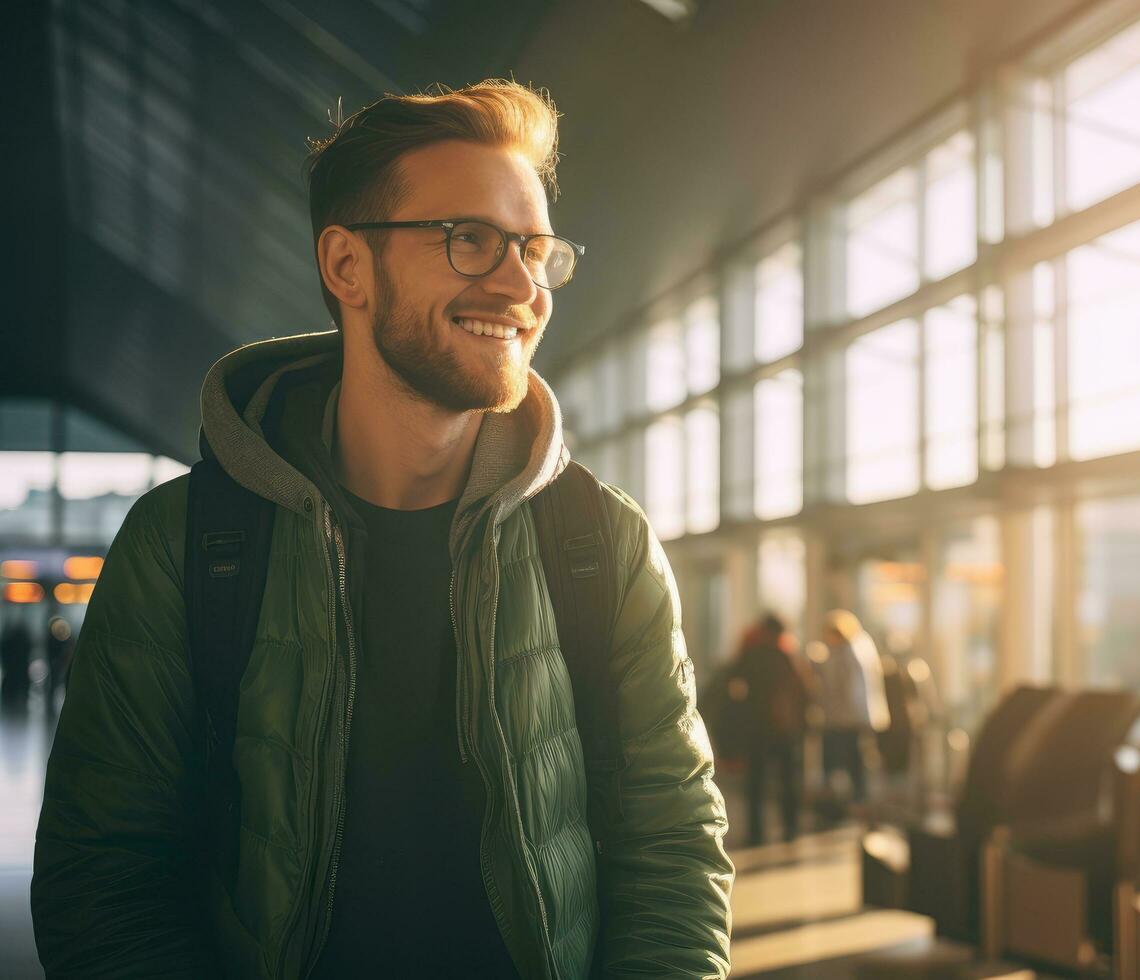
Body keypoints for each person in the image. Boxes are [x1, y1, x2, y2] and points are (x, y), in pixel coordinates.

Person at [32, 80, 734, 979]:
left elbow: (675, 855)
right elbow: (105, 877)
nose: (521, 285)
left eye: (534, 248)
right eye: (470, 241)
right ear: (347, 266)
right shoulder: (188, 546)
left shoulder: (601, 544)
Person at [729, 613, 814, 844]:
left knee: (756, 783)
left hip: (757, 729)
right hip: (785, 730)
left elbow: (734, 689)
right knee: (789, 781)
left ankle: (756, 832)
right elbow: (806, 692)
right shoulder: (788, 656)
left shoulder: (749, 655)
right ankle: (791, 829)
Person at [815, 610, 890, 806]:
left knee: (845, 764)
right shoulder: (862, 648)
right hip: (857, 717)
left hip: (846, 718)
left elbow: (843, 689)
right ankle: (857, 803)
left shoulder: (847, 653)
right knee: (857, 765)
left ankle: (848, 805)